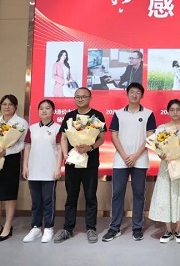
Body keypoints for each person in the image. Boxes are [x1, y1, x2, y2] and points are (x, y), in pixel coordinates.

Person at [103, 82, 156, 242]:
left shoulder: (148, 114)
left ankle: (137, 227)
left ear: (142, 95)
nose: (134, 95)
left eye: (138, 92)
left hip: (140, 160)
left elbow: (150, 137)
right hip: (121, 160)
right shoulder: (119, 114)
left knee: (139, 194)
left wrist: (135, 156)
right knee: (117, 193)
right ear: (127, 94)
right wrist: (125, 155)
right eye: (132, 92)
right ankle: (114, 228)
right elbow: (114, 135)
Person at [54, 87, 106, 244]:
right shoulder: (69, 116)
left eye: (83, 96)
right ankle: (68, 228)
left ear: (90, 98)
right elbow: (64, 138)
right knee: (71, 196)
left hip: (90, 162)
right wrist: (66, 155)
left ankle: (91, 228)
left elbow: (101, 138)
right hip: (72, 162)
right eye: (77, 96)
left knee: (90, 196)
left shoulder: (97, 115)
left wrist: (90, 147)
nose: (80, 99)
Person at [148, 99, 180, 243]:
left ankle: (178, 230)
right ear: (168, 111)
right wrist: (161, 155)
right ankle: (168, 230)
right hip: (166, 166)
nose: (175, 112)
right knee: (166, 195)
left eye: (178, 109)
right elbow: (158, 149)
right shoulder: (161, 129)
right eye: (172, 110)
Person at [0, 94, 29, 242]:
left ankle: (8, 226)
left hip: (11, 160)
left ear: (15, 107)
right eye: (4, 104)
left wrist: (6, 151)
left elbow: (22, 144)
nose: (6, 107)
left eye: (10, 104)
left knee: (9, 194)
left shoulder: (21, 123)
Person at [22, 99, 62, 243]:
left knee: (48, 201)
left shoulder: (57, 128)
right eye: (41, 108)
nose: (44, 111)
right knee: (36, 201)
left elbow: (60, 149)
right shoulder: (32, 128)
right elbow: (27, 147)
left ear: (53, 111)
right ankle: (36, 227)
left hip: (50, 171)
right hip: (34, 169)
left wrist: (58, 167)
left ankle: (49, 228)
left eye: (47, 108)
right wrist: (25, 166)